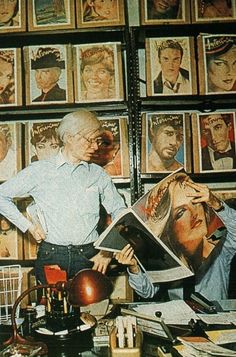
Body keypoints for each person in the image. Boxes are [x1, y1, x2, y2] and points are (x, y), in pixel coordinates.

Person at [0, 109, 126, 284]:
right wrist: (28, 227)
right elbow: (1, 196)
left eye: (97, 141)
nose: (96, 147)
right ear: (69, 137)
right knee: (53, 310)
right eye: (90, 140)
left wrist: (108, 250)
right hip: (51, 257)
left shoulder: (98, 175)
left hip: (90, 257)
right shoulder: (39, 170)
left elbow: (122, 212)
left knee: (92, 311)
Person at [115, 178, 236, 301]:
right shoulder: (166, 259)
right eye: (181, 212)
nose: (194, 213)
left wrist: (216, 204)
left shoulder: (220, 248)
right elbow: (147, 292)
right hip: (179, 319)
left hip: (215, 318)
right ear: (169, 229)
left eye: (195, 204)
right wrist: (133, 268)